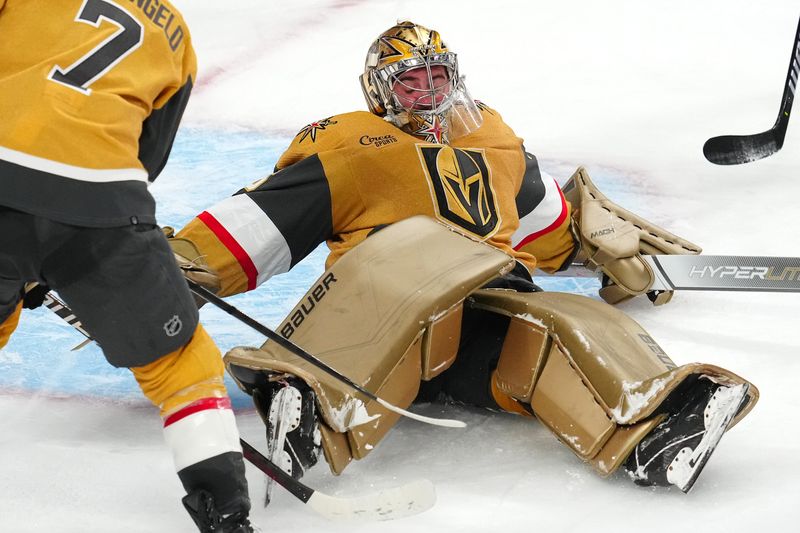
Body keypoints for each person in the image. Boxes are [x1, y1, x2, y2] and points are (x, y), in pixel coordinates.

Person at [172, 21, 758, 494]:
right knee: (398, 262)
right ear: (380, 91)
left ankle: (650, 430)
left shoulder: (494, 143)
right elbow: (263, 222)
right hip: (389, 319)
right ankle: (304, 403)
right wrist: (167, 262)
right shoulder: (351, 148)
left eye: (437, 77)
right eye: (411, 83)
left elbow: (548, 226)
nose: (429, 93)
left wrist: (600, 245)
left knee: (570, 322)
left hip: (482, 317)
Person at [0, 1, 254, 531]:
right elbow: (147, 159)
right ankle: (226, 514)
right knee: (180, 365)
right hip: (101, 202)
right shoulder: (176, 35)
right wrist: (63, 248)